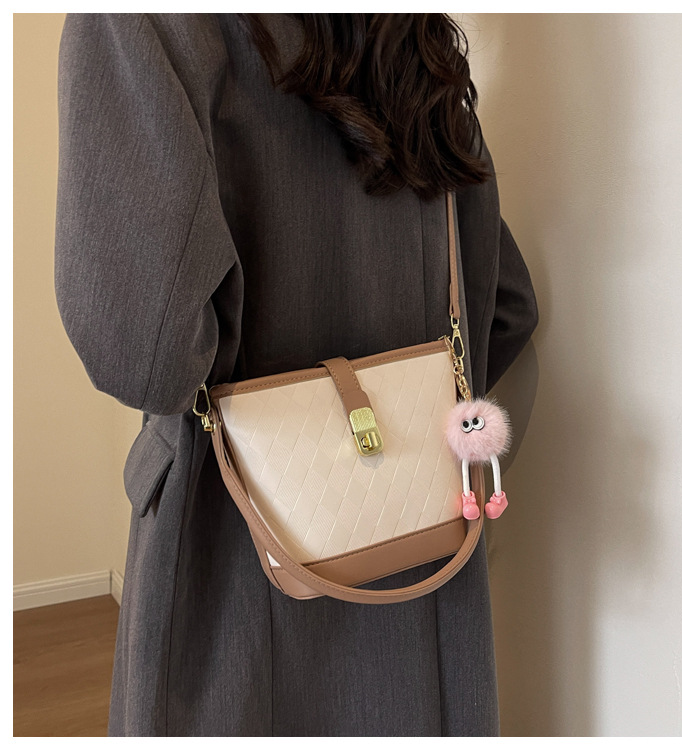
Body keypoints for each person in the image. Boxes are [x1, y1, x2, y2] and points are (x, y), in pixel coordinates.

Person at [54, 13, 539, 737]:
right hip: (430, 555)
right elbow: (504, 309)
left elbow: (143, 356)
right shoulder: (416, 41)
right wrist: (391, 428)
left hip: (236, 568)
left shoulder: (143, 24)